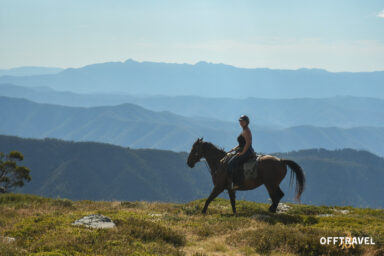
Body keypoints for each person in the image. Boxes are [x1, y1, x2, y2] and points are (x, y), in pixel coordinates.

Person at [227, 115, 255, 190]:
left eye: (243, 121)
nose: (241, 123)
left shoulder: (246, 131)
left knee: (231, 164)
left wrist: (243, 153)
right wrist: (233, 149)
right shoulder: (244, 130)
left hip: (247, 151)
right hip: (244, 150)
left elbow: (248, 143)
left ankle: (237, 183)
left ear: (247, 122)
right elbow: (241, 144)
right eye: (240, 121)